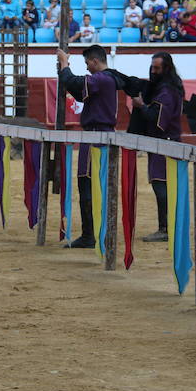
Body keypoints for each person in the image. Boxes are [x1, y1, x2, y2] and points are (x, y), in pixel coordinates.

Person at [57, 44, 123, 248]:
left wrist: (64, 64)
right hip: (101, 135)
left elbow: (74, 82)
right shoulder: (106, 79)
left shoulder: (101, 78)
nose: (87, 68)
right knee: (98, 185)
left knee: (87, 183)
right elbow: (77, 90)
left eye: (87, 63)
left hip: (95, 136)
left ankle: (90, 235)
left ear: (95, 61)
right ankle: (95, 233)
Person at [127, 53, 184, 242]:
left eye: (157, 68)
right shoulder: (167, 89)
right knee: (164, 185)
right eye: (152, 67)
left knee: (161, 185)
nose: (153, 71)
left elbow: (158, 119)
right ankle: (169, 227)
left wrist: (141, 105)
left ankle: (166, 229)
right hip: (164, 143)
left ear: (166, 68)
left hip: (164, 144)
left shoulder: (166, 92)